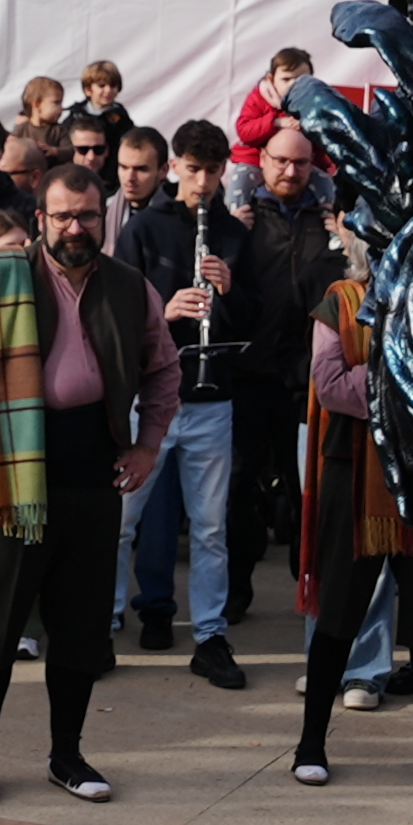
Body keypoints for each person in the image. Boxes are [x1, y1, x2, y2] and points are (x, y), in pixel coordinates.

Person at [0, 166, 181, 807]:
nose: (75, 227)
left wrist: (147, 445)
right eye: (62, 216)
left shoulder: (131, 289)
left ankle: (68, 756)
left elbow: (164, 370)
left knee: (82, 630)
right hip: (11, 474)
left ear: (102, 219)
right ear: (40, 220)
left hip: (95, 473)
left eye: (86, 216)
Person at [289, 260, 413, 791]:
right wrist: (406, 378)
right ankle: (311, 745)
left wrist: (389, 378)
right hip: (352, 482)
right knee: (339, 616)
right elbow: (329, 385)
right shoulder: (340, 303)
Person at [116, 118, 256, 684]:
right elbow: (115, 315)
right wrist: (165, 313)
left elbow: (256, 320)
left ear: (224, 172)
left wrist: (229, 291)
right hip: (152, 399)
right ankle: (101, 623)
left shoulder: (236, 234)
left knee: (210, 527)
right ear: (174, 167)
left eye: (212, 171)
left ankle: (210, 636)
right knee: (124, 519)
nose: (202, 182)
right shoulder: (145, 228)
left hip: (211, 396)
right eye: (192, 169)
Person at [228, 121, 338, 605]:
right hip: (248, 374)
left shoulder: (331, 220)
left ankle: (307, 588)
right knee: (239, 487)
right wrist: (233, 235)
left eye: (300, 162)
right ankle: (236, 589)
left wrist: (343, 238)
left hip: (305, 380)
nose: (290, 170)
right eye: (280, 160)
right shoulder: (241, 219)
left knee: (304, 492)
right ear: (262, 162)